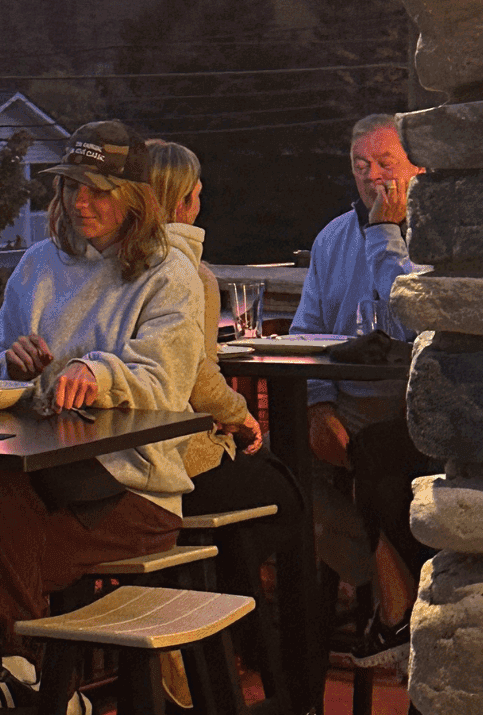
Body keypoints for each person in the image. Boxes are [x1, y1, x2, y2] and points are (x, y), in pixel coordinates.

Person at [0, 121, 204, 713]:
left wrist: (100, 373)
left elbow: (166, 382)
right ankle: (22, 677)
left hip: (134, 486)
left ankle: (16, 676)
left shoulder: (170, 275)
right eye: (70, 188)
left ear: (133, 198)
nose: (80, 202)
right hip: (44, 474)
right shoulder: (37, 265)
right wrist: (10, 360)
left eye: (98, 190)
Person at [145, 140, 304, 698]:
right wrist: (242, 418)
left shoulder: (106, 264)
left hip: (119, 467)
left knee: (244, 521)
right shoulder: (190, 270)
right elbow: (196, 376)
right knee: (289, 501)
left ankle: (208, 641)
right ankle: (291, 679)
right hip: (178, 467)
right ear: (185, 200)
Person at [290, 114, 433, 667]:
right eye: (360, 164)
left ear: (417, 167)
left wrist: (385, 233)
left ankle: (396, 608)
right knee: (286, 473)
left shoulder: (433, 234)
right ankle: (392, 588)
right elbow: (308, 332)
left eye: (386, 164)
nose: (373, 176)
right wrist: (318, 401)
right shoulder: (332, 237)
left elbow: (412, 322)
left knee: (377, 461)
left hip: (408, 409)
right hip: (347, 406)